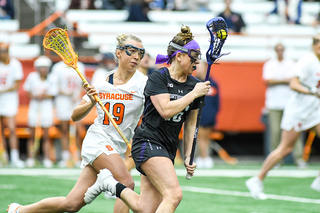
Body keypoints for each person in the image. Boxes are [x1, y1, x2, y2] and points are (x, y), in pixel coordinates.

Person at [7, 34, 148, 213]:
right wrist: (90, 100)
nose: (136, 57)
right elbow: (75, 115)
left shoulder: (144, 84)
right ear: (119, 53)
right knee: (126, 182)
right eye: (132, 51)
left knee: (71, 204)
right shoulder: (102, 82)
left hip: (116, 146)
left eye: (140, 53)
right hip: (97, 141)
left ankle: (19, 210)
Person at [83, 25, 210, 213]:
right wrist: (193, 94)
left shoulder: (196, 85)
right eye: (194, 55)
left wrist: (188, 156)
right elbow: (166, 110)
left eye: (199, 57)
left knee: (145, 208)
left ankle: (110, 185)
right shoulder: (158, 78)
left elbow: (191, 124)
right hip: (148, 142)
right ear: (179, 55)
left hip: (168, 146)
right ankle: (110, 183)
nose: (197, 61)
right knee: (173, 195)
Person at [246, 34, 320, 200]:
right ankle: (257, 179)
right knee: (285, 148)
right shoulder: (308, 60)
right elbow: (294, 84)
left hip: (314, 111)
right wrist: (312, 92)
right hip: (299, 110)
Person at [262, 43, 306, 168]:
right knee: (275, 133)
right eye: (278, 49)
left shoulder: (291, 63)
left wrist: (278, 80)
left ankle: (299, 158)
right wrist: (284, 80)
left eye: (282, 49)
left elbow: (293, 81)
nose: (280, 51)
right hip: (274, 104)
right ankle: (275, 160)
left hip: (290, 104)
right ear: (276, 51)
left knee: (295, 131)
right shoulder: (270, 64)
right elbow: (268, 81)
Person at [23, 56, 58, 168]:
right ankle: (30, 157)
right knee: (32, 135)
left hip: (46, 108)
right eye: (41, 67)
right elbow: (27, 91)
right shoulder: (32, 77)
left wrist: (43, 96)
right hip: (34, 107)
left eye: (45, 67)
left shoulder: (52, 78)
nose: (43, 69)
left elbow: (53, 93)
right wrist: (36, 96)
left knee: (46, 135)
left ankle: (47, 158)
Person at [51, 60, 86, 167]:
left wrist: (77, 95)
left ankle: (77, 155)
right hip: (62, 101)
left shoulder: (79, 65)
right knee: (64, 129)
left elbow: (82, 83)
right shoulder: (58, 67)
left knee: (77, 129)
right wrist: (66, 93)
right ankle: (65, 156)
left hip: (75, 101)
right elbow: (54, 86)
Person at [0, 42, 24, 168]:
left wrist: (2, 90)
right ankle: (3, 156)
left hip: (9, 100)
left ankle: (15, 157)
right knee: (1, 131)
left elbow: (16, 84)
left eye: (3, 51)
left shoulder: (15, 64)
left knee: (11, 128)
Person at [194, 60, 220, 169]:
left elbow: (217, 101)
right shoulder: (195, 83)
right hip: (198, 114)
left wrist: (214, 114)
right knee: (200, 136)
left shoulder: (213, 83)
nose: (198, 69)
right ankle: (203, 156)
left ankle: (205, 157)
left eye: (200, 66)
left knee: (206, 136)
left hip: (209, 115)